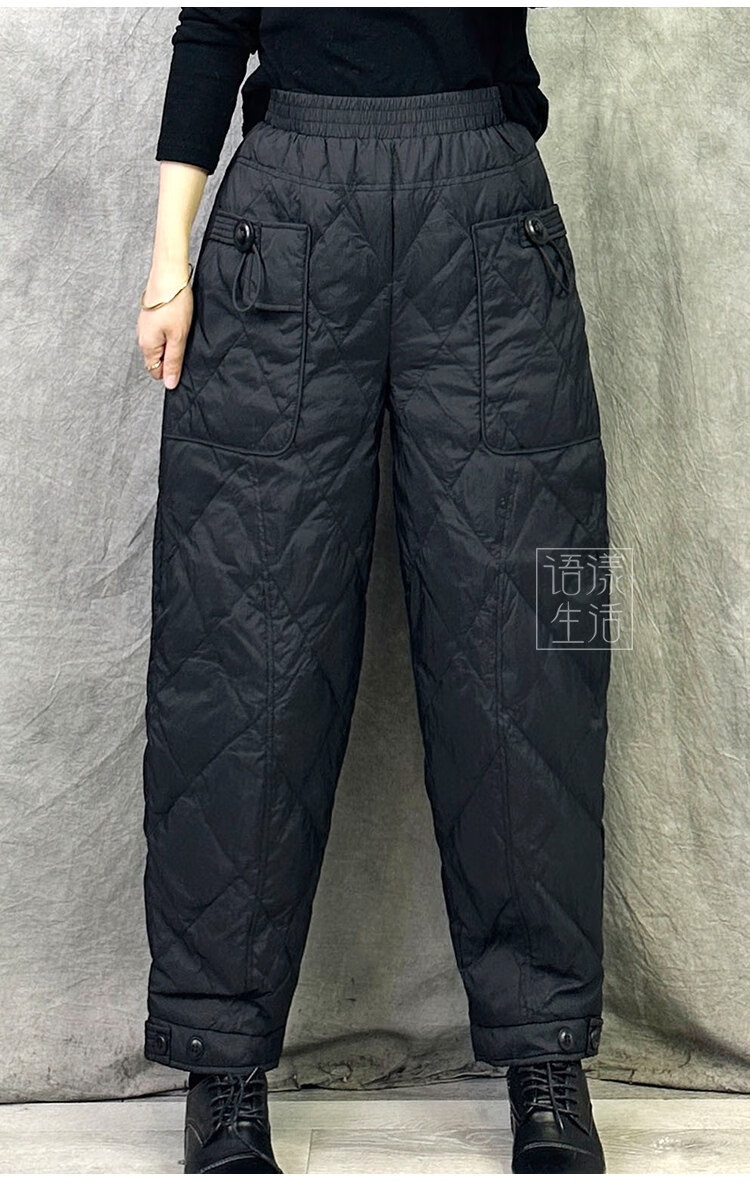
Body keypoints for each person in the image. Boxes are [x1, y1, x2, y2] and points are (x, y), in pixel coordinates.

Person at [136, 8, 611, 1175]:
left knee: (535, 654)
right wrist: (167, 261)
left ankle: (548, 1053)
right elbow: (213, 30)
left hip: (486, 211)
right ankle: (221, 1066)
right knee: (236, 652)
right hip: (288, 215)